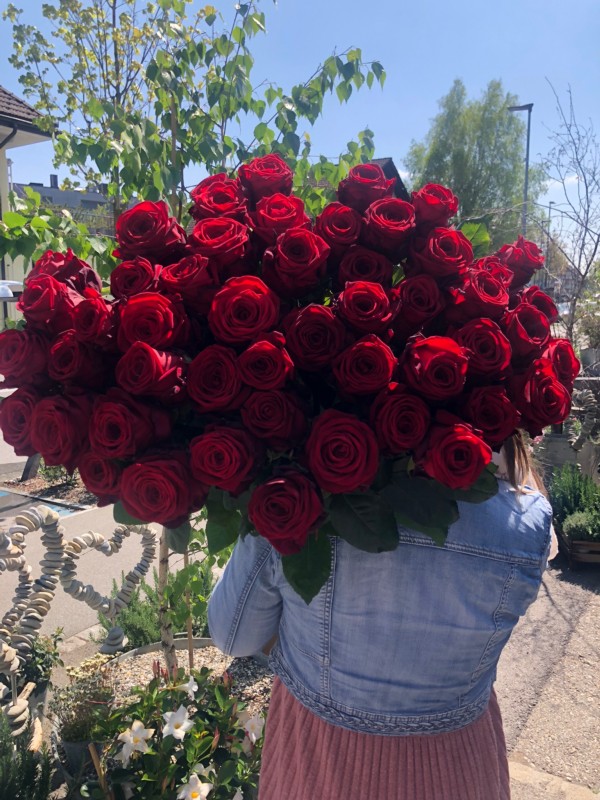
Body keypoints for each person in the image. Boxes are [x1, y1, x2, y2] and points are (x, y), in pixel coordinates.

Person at [207, 431, 552, 800]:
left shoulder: (299, 497)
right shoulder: (526, 520)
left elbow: (233, 635)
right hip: (457, 768)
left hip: (320, 762)